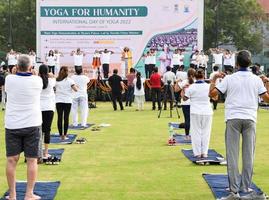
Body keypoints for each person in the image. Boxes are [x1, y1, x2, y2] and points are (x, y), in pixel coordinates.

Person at [209, 50, 269, 200]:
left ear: (236, 64)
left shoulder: (230, 78)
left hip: (233, 118)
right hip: (250, 118)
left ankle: (234, 191)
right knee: (249, 154)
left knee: (232, 154)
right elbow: (267, 99)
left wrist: (214, 79)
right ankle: (245, 187)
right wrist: (266, 82)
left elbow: (213, 95)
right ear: (250, 63)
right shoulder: (256, 79)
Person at [5, 55, 43, 200]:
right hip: (32, 123)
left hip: (13, 124)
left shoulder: (10, 78)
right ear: (30, 67)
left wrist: (14, 72)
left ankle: (13, 195)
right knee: (32, 160)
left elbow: (11, 79)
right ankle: (29, 194)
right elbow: (35, 79)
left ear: (16, 66)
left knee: (11, 160)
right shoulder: (37, 80)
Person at [183, 69, 213, 158]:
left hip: (195, 111)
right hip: (207, 111)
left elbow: (185, 98)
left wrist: (185, 89)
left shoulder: (191, 87)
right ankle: (204, 152)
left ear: (195, 77)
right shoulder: (208, 86)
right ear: (204, 76)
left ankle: (197, 153)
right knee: (206, 132)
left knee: (196, 132)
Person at [55, 66, 78, 140]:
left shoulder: (56, 80)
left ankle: (60, 135)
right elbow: (75, 90)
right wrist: (77, 86)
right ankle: (64, 135)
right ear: (67, 72)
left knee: (59, 117)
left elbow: (53, 88)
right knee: (66, 118)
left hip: (58, 100)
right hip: (67, 101)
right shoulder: (70, 81)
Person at [39, 64, 55, 158]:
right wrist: (51, 75)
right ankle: (45, 153)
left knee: (39, 131)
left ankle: (39, 152)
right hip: (49, 108)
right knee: (47, 130)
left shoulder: (37, 81)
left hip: (39, 108)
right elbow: (53, 77)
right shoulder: (51, 81)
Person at [178, 68, 196, 140]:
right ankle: (193, 135)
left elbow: (176, 89)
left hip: (185, 103)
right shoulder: (196, 82)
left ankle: (187, 135)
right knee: (193, 120)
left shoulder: (185, 81)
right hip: (193, 102)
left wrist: (178, 84)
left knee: (187, 119)